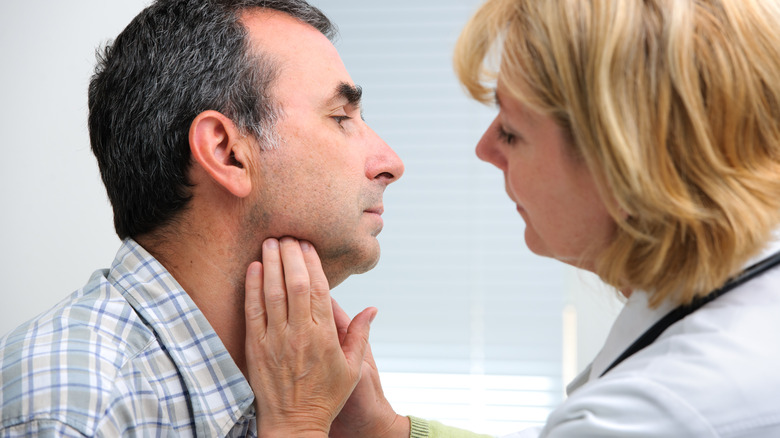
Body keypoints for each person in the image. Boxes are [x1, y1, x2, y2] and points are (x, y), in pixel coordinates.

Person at [242, 0, 780, 436]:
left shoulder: (644, 418)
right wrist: (386, 432)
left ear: (626, 164)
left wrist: (298, 423)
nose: (484, 149)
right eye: (340, 118)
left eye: (513, 132)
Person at [0, 0, 402, 436]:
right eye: (341, 117)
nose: (391, 163)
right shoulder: (78, 410)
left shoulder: (292, 387)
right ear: (227, 153)